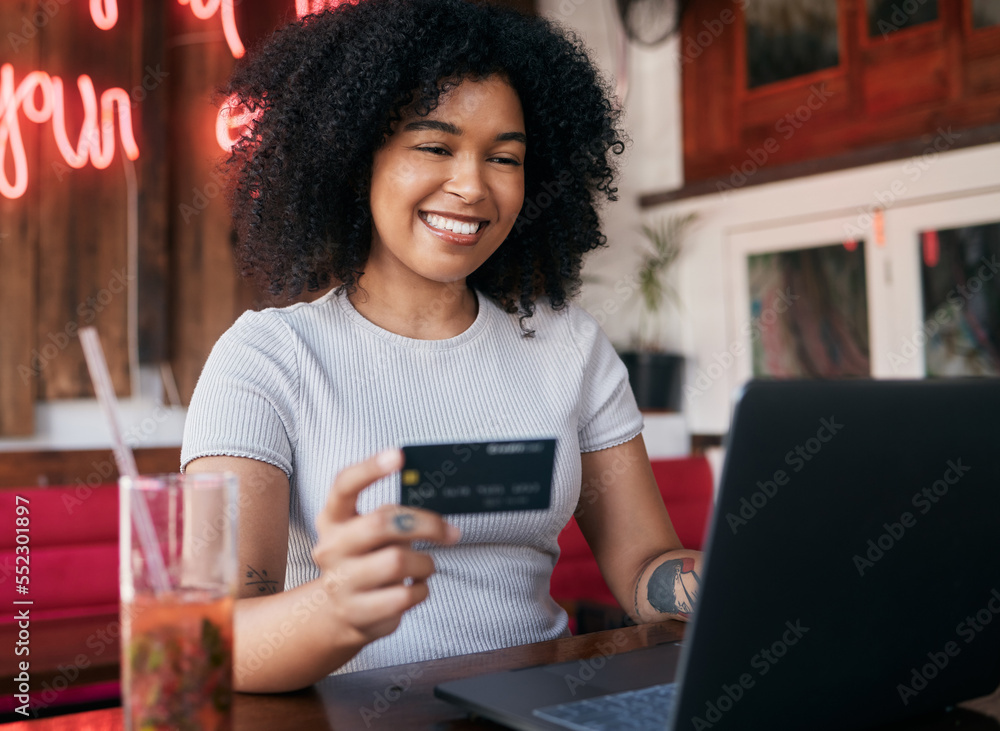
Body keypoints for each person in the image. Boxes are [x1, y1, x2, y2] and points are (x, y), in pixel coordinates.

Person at [182, 0, 703, 694]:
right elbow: (212, 639)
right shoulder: (266, 360)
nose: (471, 185)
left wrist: (703, 584)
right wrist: (338, 606)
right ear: (355, 153)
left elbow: (644, 566)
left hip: (536, 710)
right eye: (434, 145)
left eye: (504, 157)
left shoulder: (569, 346)